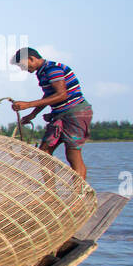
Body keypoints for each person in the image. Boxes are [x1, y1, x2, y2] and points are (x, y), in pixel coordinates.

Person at [9, 47, 92, 179]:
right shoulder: (41, 73)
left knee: (72, 154)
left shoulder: (52, 69)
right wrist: (32, 114)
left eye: (23, 65)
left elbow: (62, 95)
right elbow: (49, 95)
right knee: (44, 152)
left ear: (31, 59)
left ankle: (79, 195)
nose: (23, 69)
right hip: (60, 115)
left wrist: (28, 104)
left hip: (75, 113)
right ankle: (49, 194)